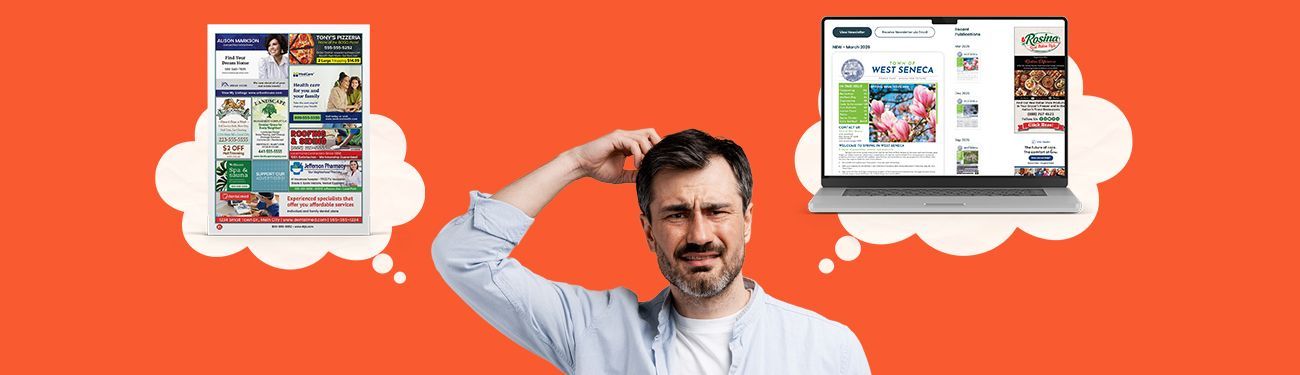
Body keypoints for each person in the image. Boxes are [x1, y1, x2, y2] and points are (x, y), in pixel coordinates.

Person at [433, 129, 870, 374]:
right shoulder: (593, 332)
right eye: (677, 214)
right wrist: (575, 165)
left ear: (748, 220)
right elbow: (464, 254)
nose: (700, 234)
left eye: (717, 210)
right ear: (648, 230)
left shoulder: (829, 349)